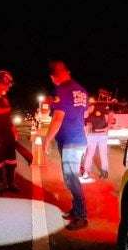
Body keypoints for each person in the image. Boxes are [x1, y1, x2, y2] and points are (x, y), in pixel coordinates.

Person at [44, 60, 89, 230]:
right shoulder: (81, 90)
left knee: (71, 179)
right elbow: (84, 114)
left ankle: (81, 216)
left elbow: (57, 118)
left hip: (70, 141)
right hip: (78, 139)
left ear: (53, 77)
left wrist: (47, 140)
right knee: (71, 178)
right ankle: (76, 210)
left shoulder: (61, 90)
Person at [80, 97, 113, 182]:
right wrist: (87, 111)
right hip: (92, 135)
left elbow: (110, 114)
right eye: (89, 103)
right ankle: (86, 172)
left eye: (92, 103)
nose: (91, 104)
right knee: (89, 154)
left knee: (103, 153)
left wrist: (108, 126)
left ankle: (104, 171)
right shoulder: (86, 110)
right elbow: (84, 120)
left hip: (103, 135)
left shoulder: (100, 107)